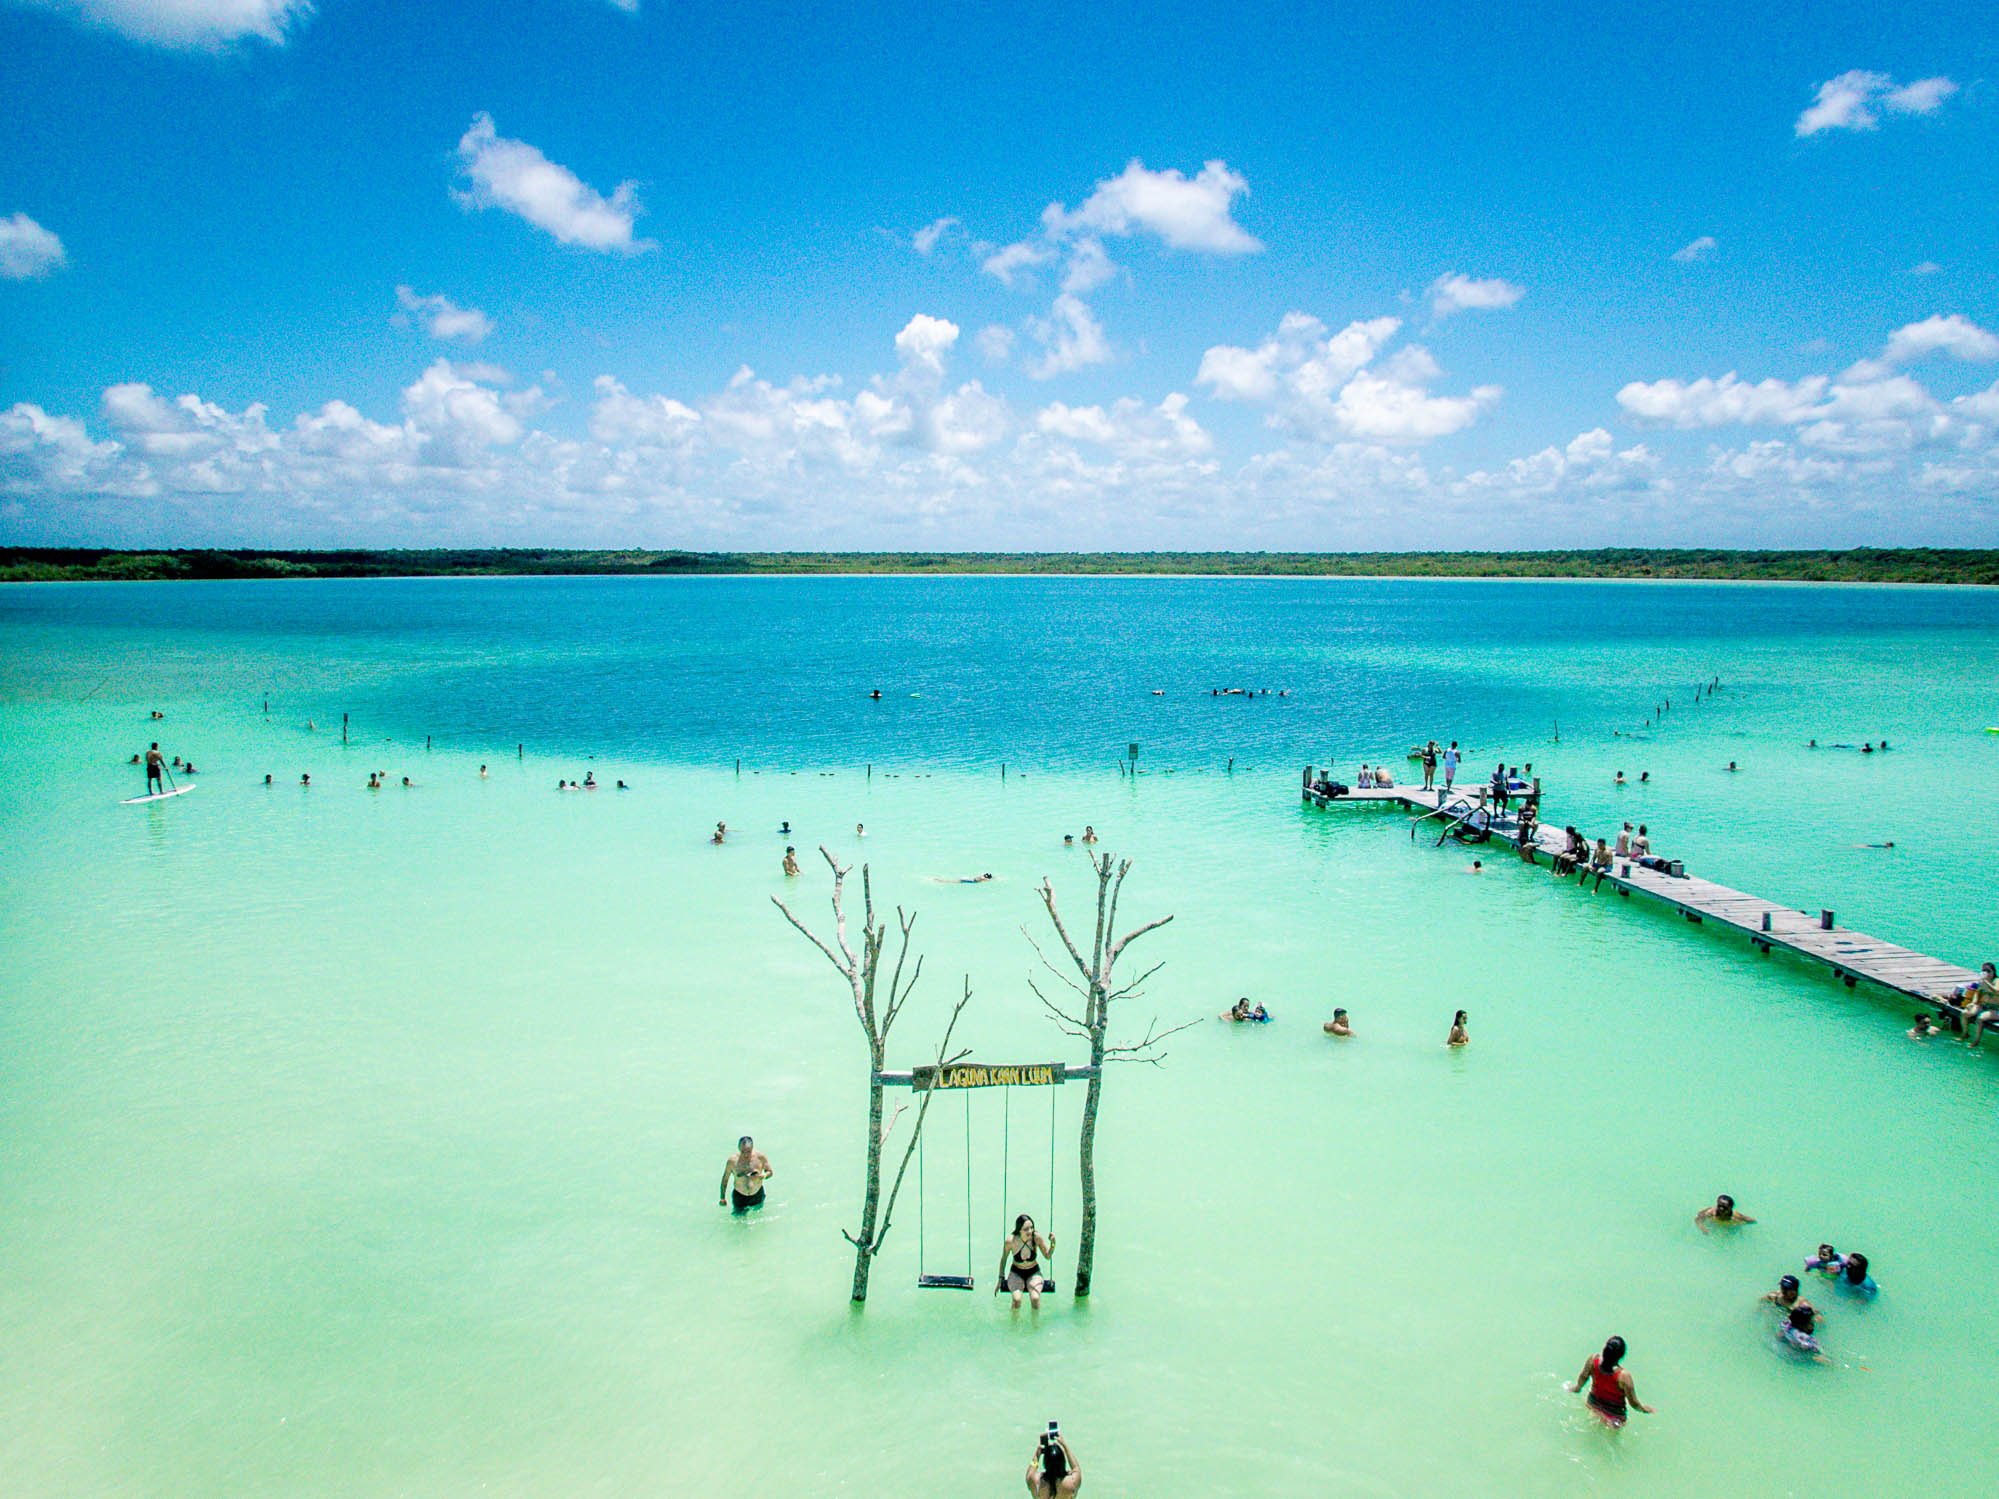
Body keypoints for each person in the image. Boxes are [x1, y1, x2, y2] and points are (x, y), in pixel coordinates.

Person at [1568, 1335, 1653, 1426]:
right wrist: (1644, 1409)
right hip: (1614, 1418)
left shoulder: (1593, 1360)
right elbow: (1633, 1403)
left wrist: (1577, 1388)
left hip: (1592, 1406)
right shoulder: (1624, 1376)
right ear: (1621, 1355)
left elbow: (1583, 1377)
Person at [1000, 1213, 1055, 1309]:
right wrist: (1000, 1278)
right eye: (1026, 1229)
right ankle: (1014, 1323)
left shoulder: (1036, 1237)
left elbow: (1047, 1256)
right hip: (1016, 1272)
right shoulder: (1011, 1241)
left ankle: (1035, 1323)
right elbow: (1003, 1259)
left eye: (1031, 1228)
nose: (1030, 1231)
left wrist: (1053, 1244)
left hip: (1033, 1272)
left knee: (1035, 1298)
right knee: (1017, 1300)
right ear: (1019, 1230)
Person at [719, 1136, 772, 1212]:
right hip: (740, 1196)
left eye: (748, 1151)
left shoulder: (760, 1157)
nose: (746, 1154)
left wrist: (764, 1176)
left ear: (752, 1148)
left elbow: (770, 1172)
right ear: (739, 1148)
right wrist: (722, 1198)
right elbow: (725, 1179)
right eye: (743, 1151)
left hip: (757, 1194)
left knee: (758, 1218)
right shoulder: (732, 1161)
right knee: (739, 1221)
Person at [1026, 1428, 1081, 1497]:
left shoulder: (1036, 1482)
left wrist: (1037, 1454)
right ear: (1062, 1462)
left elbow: (1030, 1472)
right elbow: (1076, 1468)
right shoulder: (1072, 1482)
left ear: (1045, 1463)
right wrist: (1065, 1446)